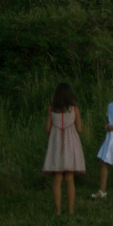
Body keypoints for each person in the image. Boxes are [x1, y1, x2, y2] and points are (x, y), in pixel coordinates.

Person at [43, 82, 86, 215]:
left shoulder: (51, 110)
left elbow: (47, 129)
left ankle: (57, 211)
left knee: (57, 179)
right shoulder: (74, 110)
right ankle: (71, 210)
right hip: (71, 146)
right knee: (69, 178)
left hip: (56, 146)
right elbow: (79, 129)